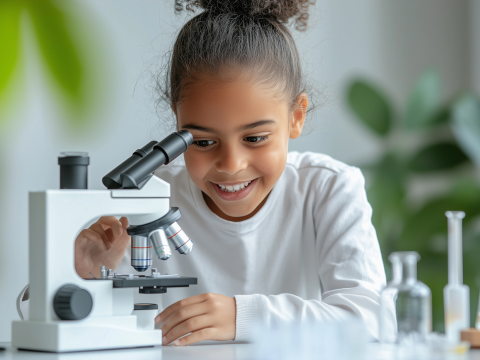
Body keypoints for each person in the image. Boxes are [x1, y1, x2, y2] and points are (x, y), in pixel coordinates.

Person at [19, 0, 387, 346]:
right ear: (177, 124)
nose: (231, 165)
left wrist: (242, 316)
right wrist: (80, 273)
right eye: (204, 142)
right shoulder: (152, 197)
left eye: (255, 137)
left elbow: (374, 321)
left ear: (296, 116)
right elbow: (30, 312)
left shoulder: (328, 188)